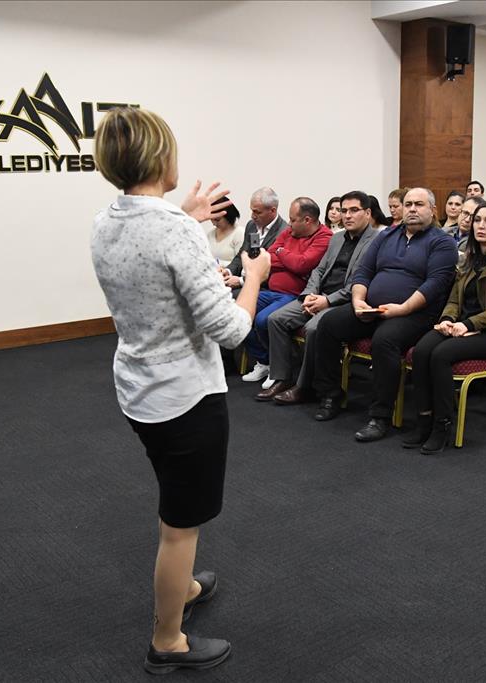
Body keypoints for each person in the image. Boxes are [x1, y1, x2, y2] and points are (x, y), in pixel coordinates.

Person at [90, 106, 272, 674]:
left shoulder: (106, 221)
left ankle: (184, 587)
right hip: (185, 396)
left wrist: (187, 219)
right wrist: (255, 278)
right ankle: (168, 640)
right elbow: (232, 330)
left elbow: (153, 261)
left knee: (174, 495)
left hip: (139, 387)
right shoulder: (174, 231)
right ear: (158, 158)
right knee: (180, 525)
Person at [311, 187, 458, 442]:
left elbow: (435, 284)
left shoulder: (442, 242)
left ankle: (380, 416)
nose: (412, 209)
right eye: (408, 204)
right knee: (329, 324)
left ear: (433, 210)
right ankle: (330, 395)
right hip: (373, 308)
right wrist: (358, 301)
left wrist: (402, 308)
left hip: (416, 314)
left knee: (384, 340)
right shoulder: (387, 235)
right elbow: (364, 271)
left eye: (419, 204)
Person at [403, 200, 486, 454]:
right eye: (477, 220)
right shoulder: (470, 257)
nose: (480, 226)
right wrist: (448, 319)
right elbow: (454, 299)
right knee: (422, 350)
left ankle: (442, 425)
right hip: (461, 326)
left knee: (440, 355)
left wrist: (468, 324)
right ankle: (424, 419)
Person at [261, 191, 379, 404]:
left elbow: (360, 282)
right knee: (275, 319)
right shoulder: (337, 238)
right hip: (318, 294)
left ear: (368, 213)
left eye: (354, 210)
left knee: (313, 328)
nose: (347, 215)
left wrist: (327, 301)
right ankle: (282, 377)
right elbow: (319, 269)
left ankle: (304, 386)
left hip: (343, 301)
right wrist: (310, 294)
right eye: (344, 210)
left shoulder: (376, 241)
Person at [241, 198, 332, 386]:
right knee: (239, 312)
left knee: (263, 320)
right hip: (271, 291)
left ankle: (277, 365)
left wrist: (281, 252)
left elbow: (302, 265)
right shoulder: (290, 232)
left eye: (293, 220)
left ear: (307, 220)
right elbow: (267, 258)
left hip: (294, 295)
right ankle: (265, 361)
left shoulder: (324, 237)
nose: (289, 224)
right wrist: (289, 259)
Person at [222, 187, 287, 287]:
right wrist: (228, 271)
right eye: (252, 211)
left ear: (273, 210)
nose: (252, 216)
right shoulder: (251, 225)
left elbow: (271, 270)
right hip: (240, 279)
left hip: (260, 287)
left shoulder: (284, 232)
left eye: (258, 212)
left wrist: (241, 281)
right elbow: (242, 255)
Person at [203, 197, 245, 265]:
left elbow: (241, 263)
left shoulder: (240, 233)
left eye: (217, 220)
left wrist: (219, 264)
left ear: (229, 216)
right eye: (211, 219)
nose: (214, 223)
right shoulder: (211, 234)